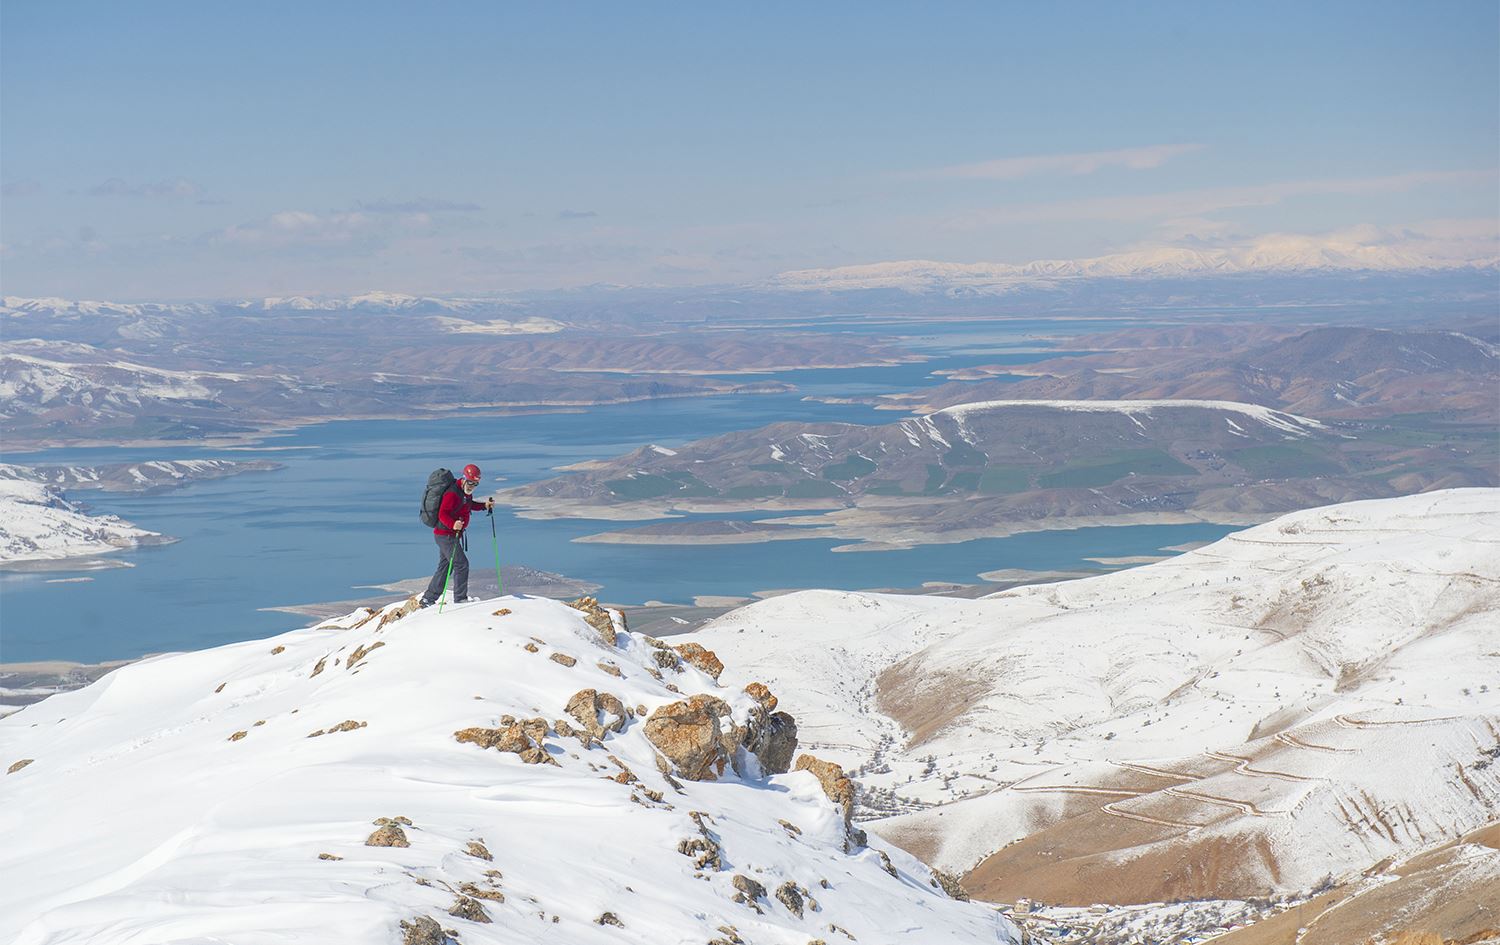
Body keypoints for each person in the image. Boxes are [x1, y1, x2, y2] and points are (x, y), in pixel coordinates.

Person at [420, 463, 494, 607]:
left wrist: (484, 505)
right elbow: (442, 514)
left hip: (450, 536)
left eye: (476, 484)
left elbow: (468, 504)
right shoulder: (452, 493)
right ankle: (460, 599)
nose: (472, 486)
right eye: (471, 482)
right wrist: (453, 524)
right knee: (461, 564)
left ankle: (428, 598)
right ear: (464, 478)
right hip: (445, 535)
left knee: (445, 567)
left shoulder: (464, 492)